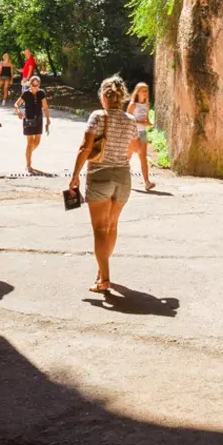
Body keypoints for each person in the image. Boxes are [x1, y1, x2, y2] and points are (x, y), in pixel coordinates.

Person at [67, 75, 139, 293]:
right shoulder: (130, 120)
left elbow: (85, 147)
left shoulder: (97, 116)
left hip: (100, 175)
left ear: (104, 96)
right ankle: (101, 272)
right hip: (124, 177)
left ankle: (104, 280)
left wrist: (75, 175)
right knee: (112, 226)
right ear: (121, 98)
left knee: (99, 229)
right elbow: (132, 149)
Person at [126, 81, 156, 192]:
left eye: (146, 91)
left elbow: (146, 120)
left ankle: (147, 182)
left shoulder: (147, 105)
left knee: (143, 158)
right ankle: (122, 179)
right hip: (133, 133)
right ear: (137, 92)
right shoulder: (133, 105)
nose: (145, 93)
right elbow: (127, 120)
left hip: (143, 133)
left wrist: (148, 123)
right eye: (143, 91)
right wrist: (142, 123)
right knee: (128, 157)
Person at [20, 72, 50, 175]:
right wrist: (18, 111)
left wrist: (48, 119)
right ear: (30, 84)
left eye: (37, 85)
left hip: (39, 119)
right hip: (28, 119)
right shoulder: (26, 93)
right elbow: (16, 104)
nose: (35, 87)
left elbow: (45, 107)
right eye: (33, 85)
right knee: (29, 142)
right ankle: (28, 164)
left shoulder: (41, 93)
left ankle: (27, 154)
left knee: (37, 142)